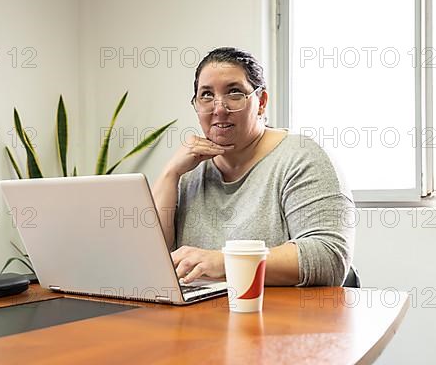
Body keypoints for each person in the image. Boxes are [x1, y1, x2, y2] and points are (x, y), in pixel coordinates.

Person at [152, 47, 355, 287]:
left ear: (261, 102)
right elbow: (149, 263)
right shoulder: (188, 172)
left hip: (281, 319)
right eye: (206, 95)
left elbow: (328, 257)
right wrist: (169, 174)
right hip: (199, 319)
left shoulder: (301, 157)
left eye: (234, 92)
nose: (219, 108)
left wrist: (227, 262)